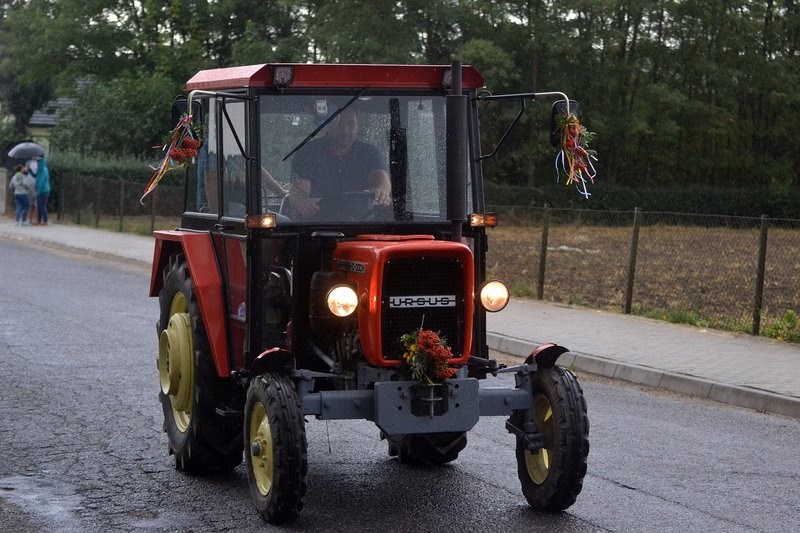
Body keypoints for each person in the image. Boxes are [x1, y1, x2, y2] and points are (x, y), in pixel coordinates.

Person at [287, 108, 391, 219]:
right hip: (315, 227)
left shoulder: (369, 152)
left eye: (351, 124)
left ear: (357, 128)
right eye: (339, 124)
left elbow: (381, 178)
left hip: (362, 226)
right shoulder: (308, 152)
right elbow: (298, 191)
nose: (345, 130)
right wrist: (302, 203)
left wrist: (381, 190)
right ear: (328, 126)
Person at [31, 154, 51, 225]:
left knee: (42, 206)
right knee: (39, 206)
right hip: (40, 191)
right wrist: (30, 171)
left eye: (38, 162)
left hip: (44, 190)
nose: (36, 164)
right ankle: (39, 221)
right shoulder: (40, 170)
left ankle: (45, 221)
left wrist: (38, 191)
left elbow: (42, 181)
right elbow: (35, 176)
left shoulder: (44, 170)